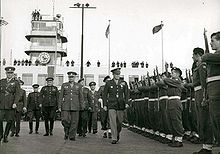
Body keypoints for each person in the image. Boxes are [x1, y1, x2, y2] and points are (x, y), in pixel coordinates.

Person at [194, 31, 220, 154]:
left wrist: (204, 57)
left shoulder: (214, 57)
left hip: (217, 92)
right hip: (212, 92)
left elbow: (206, 57)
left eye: (213, 41)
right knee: (214, 121)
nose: (210, 43)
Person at [157, 67, 184, 147]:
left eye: (172, 73)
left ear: (177, 74)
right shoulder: (172, 81)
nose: (171, 74)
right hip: (170, 102)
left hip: (175, 102)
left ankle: (179, 139)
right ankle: (175, 139)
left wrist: (165, 78)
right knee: (171, 121)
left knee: (176, 120)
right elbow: (159, 83)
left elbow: (165, 81)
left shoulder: (177, 81)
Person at [103, 68, 129, 144]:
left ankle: (117, 133)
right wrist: (105, 105)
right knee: (112, 122)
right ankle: (114, 138)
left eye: (118, 74)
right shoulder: (109, 83)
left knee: (120, 122)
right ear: (113, 75)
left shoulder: (123, 83)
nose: (117, 76)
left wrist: (126, 103)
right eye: (116, 74)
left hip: (120, 105)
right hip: (111, 105)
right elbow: (104, 95)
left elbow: (127, 94)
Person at [58, 71, 83, 141]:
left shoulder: (78, 85)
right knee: (65, 120)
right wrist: (59, 106)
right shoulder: (64, 85)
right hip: (66, 106)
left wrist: (82, 106)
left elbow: (81, 97)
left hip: (75, 106)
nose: (71, 78)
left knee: (74, 121)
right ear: (68, 77)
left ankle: (72, 136)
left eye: (72, 77)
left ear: (75, 77)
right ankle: (67, 131)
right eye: (70, 77)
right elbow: (61, 96)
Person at [0, 67, 20, 143]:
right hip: (1, 104)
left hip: (10, 104)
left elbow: (18, 94)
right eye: (8, 73)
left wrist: (15, 103)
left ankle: (5, 135)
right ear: (6, 73)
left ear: (13, 74)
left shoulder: (16, 82)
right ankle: (0, 134)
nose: (9, 74)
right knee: (0, 119)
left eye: (11, 73)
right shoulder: (2, 81)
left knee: (9, 121)